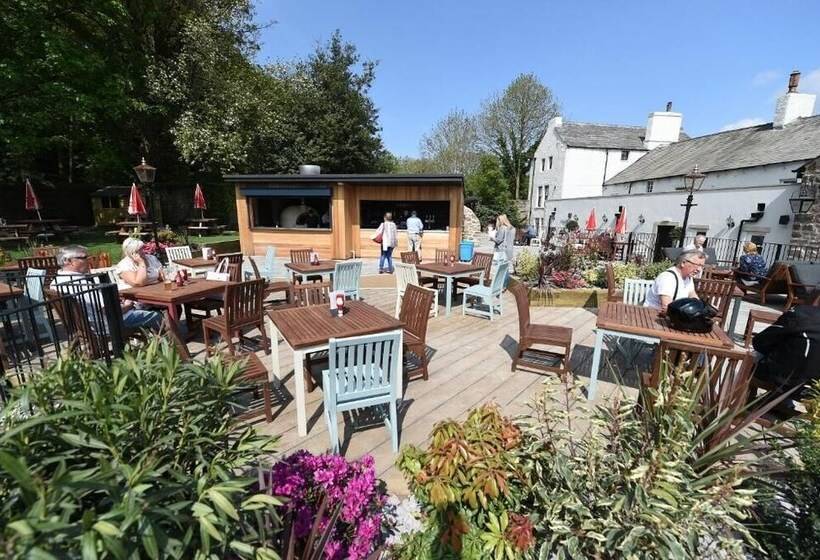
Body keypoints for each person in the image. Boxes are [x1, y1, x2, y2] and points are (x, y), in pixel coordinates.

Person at [54, 245, 162, 331]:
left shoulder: (55, 282)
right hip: (107, 325)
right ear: (67, 261)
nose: (89, 260)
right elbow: (109, 311)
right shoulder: (81, 285)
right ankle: (170, 352)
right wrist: (128, 306)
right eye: (84, 257)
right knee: (157, 316)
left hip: (85, 326)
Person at [752, 305, 820, 412]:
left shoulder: (800, 313)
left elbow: (760, 342)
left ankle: (742, 403)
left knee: (754, 355)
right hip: (814, 391)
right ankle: (783, 402)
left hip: (782, 379)